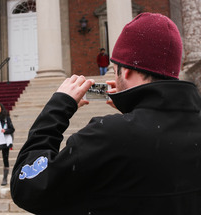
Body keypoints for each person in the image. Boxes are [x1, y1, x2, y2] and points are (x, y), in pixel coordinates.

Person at [10, 13, 201, 214]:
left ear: (125, 71)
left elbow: (28, 188)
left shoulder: (110, 135)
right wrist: (137, 109)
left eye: (115, 69)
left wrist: (58, 106)